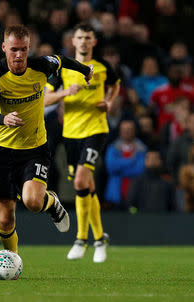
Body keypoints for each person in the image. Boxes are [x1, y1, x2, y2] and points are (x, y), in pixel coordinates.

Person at [0, 24, 93, 255]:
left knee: (33, 202)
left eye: (23, 49)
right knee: (4, 219)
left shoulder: (41, 66)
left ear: (30, 47)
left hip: (34, 149)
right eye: (14, 49)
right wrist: (4, 118)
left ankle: (51, 203)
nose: (19, 55)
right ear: (4, 47)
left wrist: (85, 70)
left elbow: (62, 60)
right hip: (2, 152)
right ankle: (13, 260)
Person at [45, 23, 120, 262]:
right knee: (87, 187)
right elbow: (45, 98)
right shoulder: (63, 69)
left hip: (96, 130)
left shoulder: (103, 66)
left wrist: (109, 101)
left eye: (88, 37)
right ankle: (100, 239)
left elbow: (116, 84)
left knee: (80, 180)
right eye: (80, 37)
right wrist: (64, 94)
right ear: (73, 41)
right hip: (71, 134)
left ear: (94, 42)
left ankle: (80, 238)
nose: (84, 41)